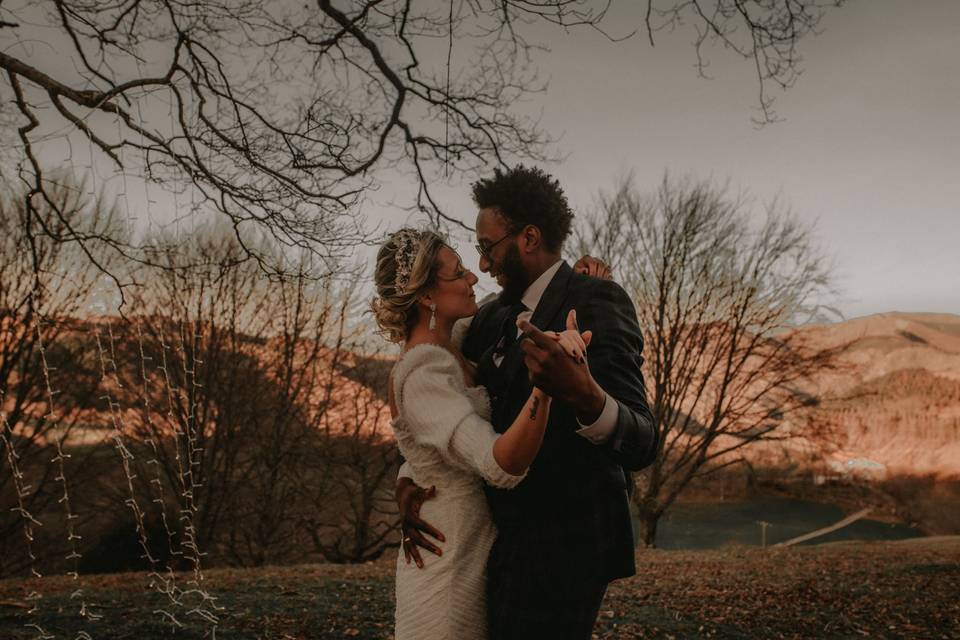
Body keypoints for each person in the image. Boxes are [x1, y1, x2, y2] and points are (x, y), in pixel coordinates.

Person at [396, 165, 659, 640]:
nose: (482, 264)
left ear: (529, 238)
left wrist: (584, 394)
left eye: (487, 247)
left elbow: (642, 441)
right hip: (495, 545)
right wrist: (411, 474)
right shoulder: (489, 317)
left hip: (567, 548)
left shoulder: (597, 301)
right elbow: (435, 393)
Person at [372, 228, 591, 640]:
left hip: (472, 557)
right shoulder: (422, 376)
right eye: (458, 273)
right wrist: (545, 386)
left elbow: (512, 304)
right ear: (426, 296)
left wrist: (574, 278)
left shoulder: (452, 339)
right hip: (446, 575)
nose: (474, 278)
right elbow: (500, 463)